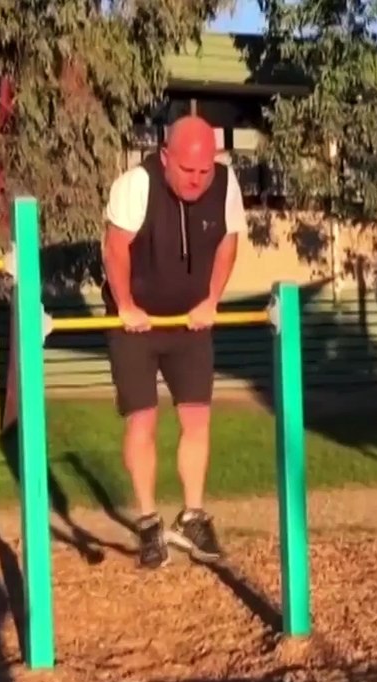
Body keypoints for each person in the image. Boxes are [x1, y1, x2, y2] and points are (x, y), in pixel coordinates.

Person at [101, 115, 247, 569]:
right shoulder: (134, 186)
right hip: (135, 321)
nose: (197, 180)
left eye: (204, 171)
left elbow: (228, 241)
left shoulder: (226, 185)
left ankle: (192, 518)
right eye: (187, 170)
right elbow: (115, 247)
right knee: (142, 422)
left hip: (191, 321)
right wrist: (125, 304)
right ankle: (148, 523)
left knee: (198, 420)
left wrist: (212, 299)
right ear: (166, 157)